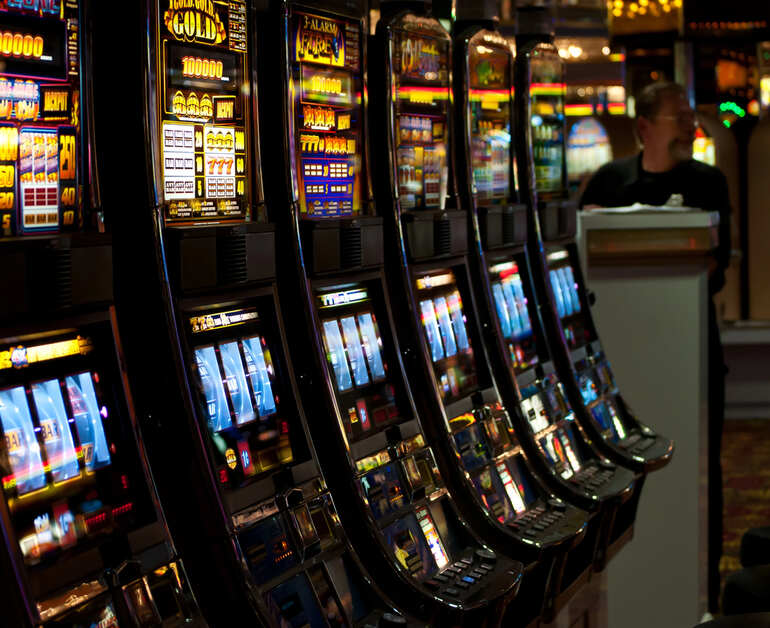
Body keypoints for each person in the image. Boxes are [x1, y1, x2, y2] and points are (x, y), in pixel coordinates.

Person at [580, 81, 730, 615]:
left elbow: (717, 269)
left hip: (692, 354)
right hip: (620, 363)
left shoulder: (708, 183)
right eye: (679, 116)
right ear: (645, 126)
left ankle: (702, 597)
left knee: (701, 480)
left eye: (690, 115)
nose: (691, 124)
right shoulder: (609, 182)